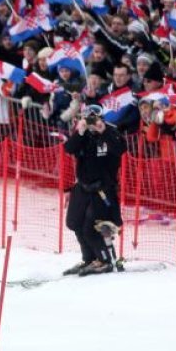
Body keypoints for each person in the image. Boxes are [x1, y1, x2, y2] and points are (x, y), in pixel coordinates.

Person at [62, 105, 126, 276]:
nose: (91, 121)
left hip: (103, 189)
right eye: (87, 117)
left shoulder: (110, 132)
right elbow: (68, 149)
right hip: (82, 186)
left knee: (92, 228)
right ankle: (89, 259)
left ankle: (105, 260)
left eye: (94, 117)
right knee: (74, 223)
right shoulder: (83, 134)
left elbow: (120, 149)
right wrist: (80, 131)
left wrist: (103, 130)